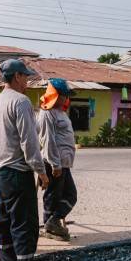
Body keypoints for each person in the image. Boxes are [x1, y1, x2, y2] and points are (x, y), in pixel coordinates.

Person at [0, 59, 53, 261]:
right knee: (24, 225)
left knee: (4, 224)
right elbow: (29, 142)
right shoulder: (20, 102)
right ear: (18, 77)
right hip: (18, 174)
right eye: (27, 77)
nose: (29, 81)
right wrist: (41, 171)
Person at [37, 78, 77, 240]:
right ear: (55, 95)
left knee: (64, 195)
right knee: (58, 196)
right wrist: (55, 164)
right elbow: (47, 140)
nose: (66, 98)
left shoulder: (60, 113)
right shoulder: (47, 113)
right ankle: (51, 224)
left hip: (63, 163)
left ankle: (51, 225)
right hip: (54, 163)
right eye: (64, 95)